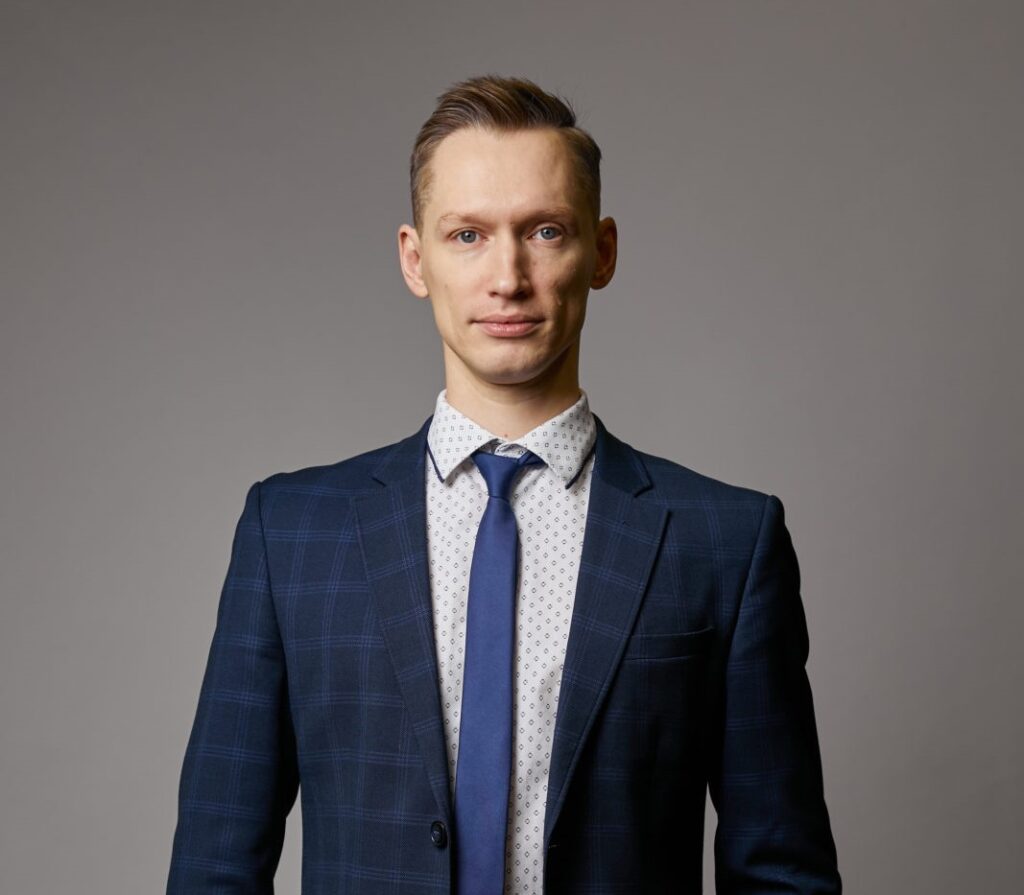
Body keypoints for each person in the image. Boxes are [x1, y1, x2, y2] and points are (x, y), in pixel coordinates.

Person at [167, 75, 841, 894]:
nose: (508, 276)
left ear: (602, 252)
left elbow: (781, 873)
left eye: (545, 231)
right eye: (468, 235)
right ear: (415, 259)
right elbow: (213, 867)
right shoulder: (291, 534)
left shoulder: (725, 543)